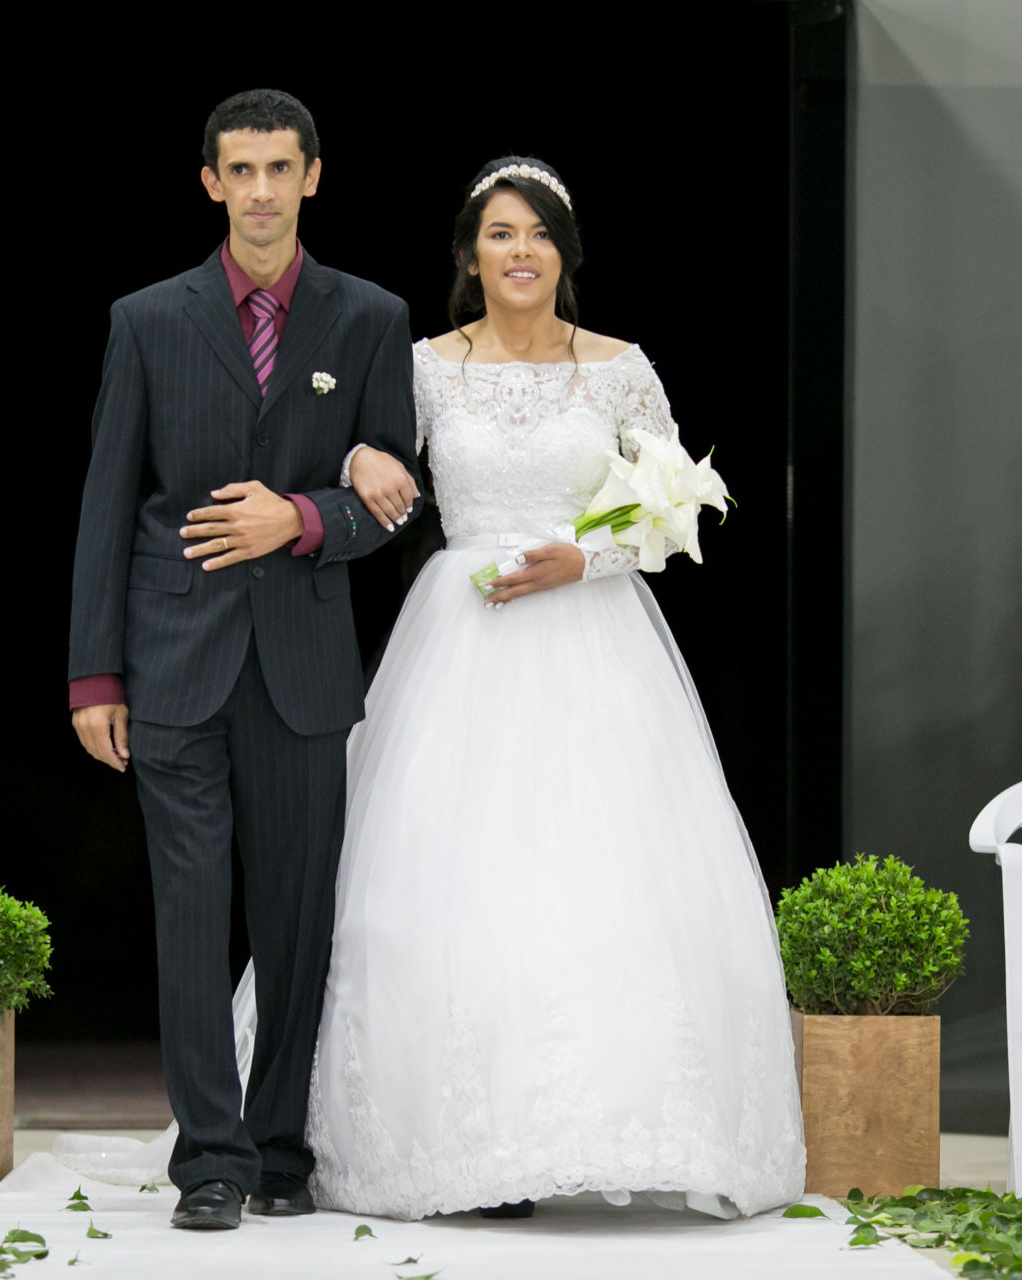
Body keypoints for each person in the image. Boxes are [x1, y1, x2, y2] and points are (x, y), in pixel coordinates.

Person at [312, 158, 804, 1221]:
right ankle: (466, 1140)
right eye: (498, 233)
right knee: (454, 875)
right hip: (466, 625)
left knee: (607, 867)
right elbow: (382, 470)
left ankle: (602, 1123)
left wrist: (590, 556)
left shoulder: (622, 368)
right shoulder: (426, 366)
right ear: (469, 255)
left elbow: (676, 506)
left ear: (565, 254)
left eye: (538, 233)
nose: (519, 249)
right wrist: (358, 455)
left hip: (593, 631)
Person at [65, 89, 419, 1231]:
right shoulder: (148, 319)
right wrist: (92, 673)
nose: (262, 189)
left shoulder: (369, 317)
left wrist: (305, 521)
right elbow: (109, 501)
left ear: (314, 175)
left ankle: (279, 1145)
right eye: (241, 169)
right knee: (187, 906)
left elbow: (395, 496)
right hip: (173, 658)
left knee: (296, 917)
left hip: (306, 665)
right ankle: (207, 1157)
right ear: (209, 182)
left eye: (281, 167)